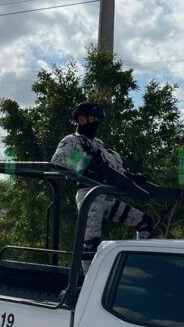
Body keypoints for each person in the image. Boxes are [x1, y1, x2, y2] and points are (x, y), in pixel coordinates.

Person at [51, 101, 154, 258]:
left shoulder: (98, 143)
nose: (96, 123)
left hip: (106, 194)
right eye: (93, 118)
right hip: (89, 194)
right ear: (81, 119)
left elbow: (110, 168)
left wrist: (130, 176)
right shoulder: (72, 140)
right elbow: (58, 159)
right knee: (91, 242)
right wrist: (87, 164)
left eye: (98, 119)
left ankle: (137, 260)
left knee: (146, 222)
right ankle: (88, 280)